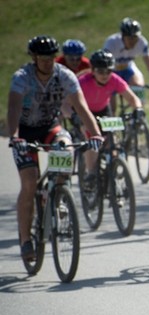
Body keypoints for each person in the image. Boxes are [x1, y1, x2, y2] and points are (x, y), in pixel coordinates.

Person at [7, 36, 103, 261]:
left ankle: (59, 194)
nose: (48, 62)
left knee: (66, 149)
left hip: (50, 126)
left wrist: (96, 134)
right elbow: (12, 109)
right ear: (34, 58)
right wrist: (14, 136)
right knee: (29, 183)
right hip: (24, 132)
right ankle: (25, 240)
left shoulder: (65, 75)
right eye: (43, 58)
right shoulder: (22, 77)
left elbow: (82, 108)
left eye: (51, 57)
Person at [78, 49, 144, 191]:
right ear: (93, 70)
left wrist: (138, 109)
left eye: (108, 71)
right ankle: (91, 173)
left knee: (113, 143)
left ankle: (113, 171)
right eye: (100, 72)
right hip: (85, 113)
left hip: (103, 111)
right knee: (92, 141)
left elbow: (133, 98)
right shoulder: (83, 82)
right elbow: (70, 101)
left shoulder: (114, 79)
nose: (105, 75)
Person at [103, 17, 149, 89]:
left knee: (139, 86)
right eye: (129, 38)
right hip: (111, 71)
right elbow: (103, 66)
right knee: (110, 93)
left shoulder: (142, 42)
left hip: (128, 67)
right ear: (123, 36)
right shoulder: (111, 43)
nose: (132, 41)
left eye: (135, 37)